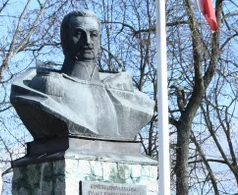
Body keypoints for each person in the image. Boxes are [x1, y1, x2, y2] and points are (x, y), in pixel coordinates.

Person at [9, 10, 154, 142]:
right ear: (64, 40)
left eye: (93, 34)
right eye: (79, 34)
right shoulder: (45, 86)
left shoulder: (123, 91)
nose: (88, 41)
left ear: (99, 39)